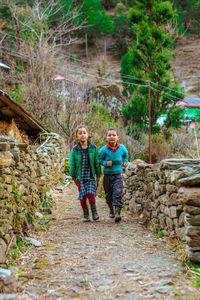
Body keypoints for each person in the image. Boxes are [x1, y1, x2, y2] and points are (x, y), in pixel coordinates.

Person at [69, 125, 101, 222]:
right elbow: (72, 163)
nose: (82, 135)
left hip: (90, 176)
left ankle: (94, 212)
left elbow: (96, 162)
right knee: (82, 196)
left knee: (91, 195)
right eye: (80, 133)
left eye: (84, 133)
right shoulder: (75, 150)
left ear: (88, 135)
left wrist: (98, 175)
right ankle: (86, 214)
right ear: (77, 136)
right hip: (80, 177)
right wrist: (73, 176)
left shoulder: (93, 148)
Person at [99, 128, 128, 223]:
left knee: (118, 193)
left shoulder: (122, 148)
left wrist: (125, 162)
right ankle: (111, 209)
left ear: (118, 137)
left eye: (114, 135)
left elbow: (125, 155)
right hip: (107, 176)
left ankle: (117, 214)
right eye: (109, 135)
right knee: (109, 195)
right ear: (106, 138)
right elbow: (99, 160)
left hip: (117, 175)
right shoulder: (104, 150)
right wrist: (105, 163)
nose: (112, 137)